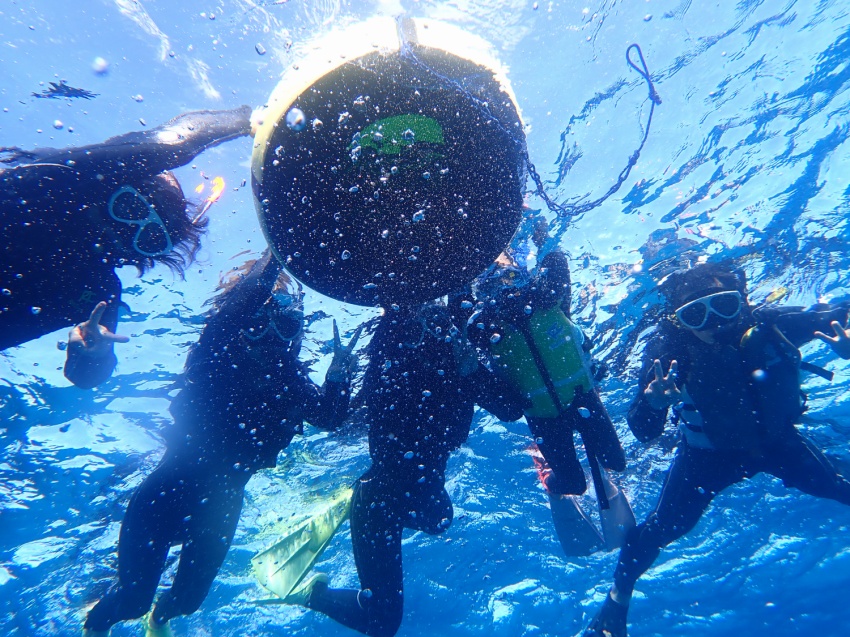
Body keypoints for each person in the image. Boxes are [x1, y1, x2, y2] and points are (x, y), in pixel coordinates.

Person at [82, 252, 361, 637]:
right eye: (258, 324)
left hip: (221, 507)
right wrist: (277, 254)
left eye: (286, 326)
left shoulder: (291, 383)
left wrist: (340, 375)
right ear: (242, 322)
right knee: (133, 598)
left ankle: (158, 622)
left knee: (187, 602)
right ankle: (95, 624)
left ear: (297, 333)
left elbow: (330, 417)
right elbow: (236, 310)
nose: (271, 336)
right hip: (165, 494)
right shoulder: (215, 355)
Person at [584, 261, 850, 637]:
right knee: (659, 530)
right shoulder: (670, 351)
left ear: (741, 302)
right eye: (695, 314)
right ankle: (614, 604)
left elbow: (841, 314)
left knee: (840, 487)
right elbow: (642, 431)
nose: (713, 324)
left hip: (778, 443)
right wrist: (653, 405)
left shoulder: (772, 322)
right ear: (679, 321)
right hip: (705, 458)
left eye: (724, 307)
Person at [283, 301, 527, 637]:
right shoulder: (391, 373)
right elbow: (337, 420)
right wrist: (339, 372)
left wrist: (473, 368)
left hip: (423, 491)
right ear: (397, 337)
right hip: (378, 500)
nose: (425, 337)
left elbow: (511, 409)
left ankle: (360, 504)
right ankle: (312, 593)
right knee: (382, 623)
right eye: (414, 330)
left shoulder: (458, 371)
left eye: (436, 327)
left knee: (440, 518)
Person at [0, 106, 252, 388]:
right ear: (113, 186)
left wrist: (97, 354)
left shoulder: (99, 289)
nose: (127, 231)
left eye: (150, 238)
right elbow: (172, 143)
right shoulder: (56, 182)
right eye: (130, 208)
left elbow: (84, 377)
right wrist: (251, 120)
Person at [472, 219, 633, 554]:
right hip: (543, 417)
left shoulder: (548, 299)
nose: (504, 288)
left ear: (521, 273)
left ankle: (603, 477)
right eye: (492, 284)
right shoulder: (485, 331)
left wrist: (540, 233)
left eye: (509, 275)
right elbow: (458, 313)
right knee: (572, 482)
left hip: (583, 399)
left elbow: (557, 262)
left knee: (616, 462)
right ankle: (548, 478)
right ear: (481, 293)